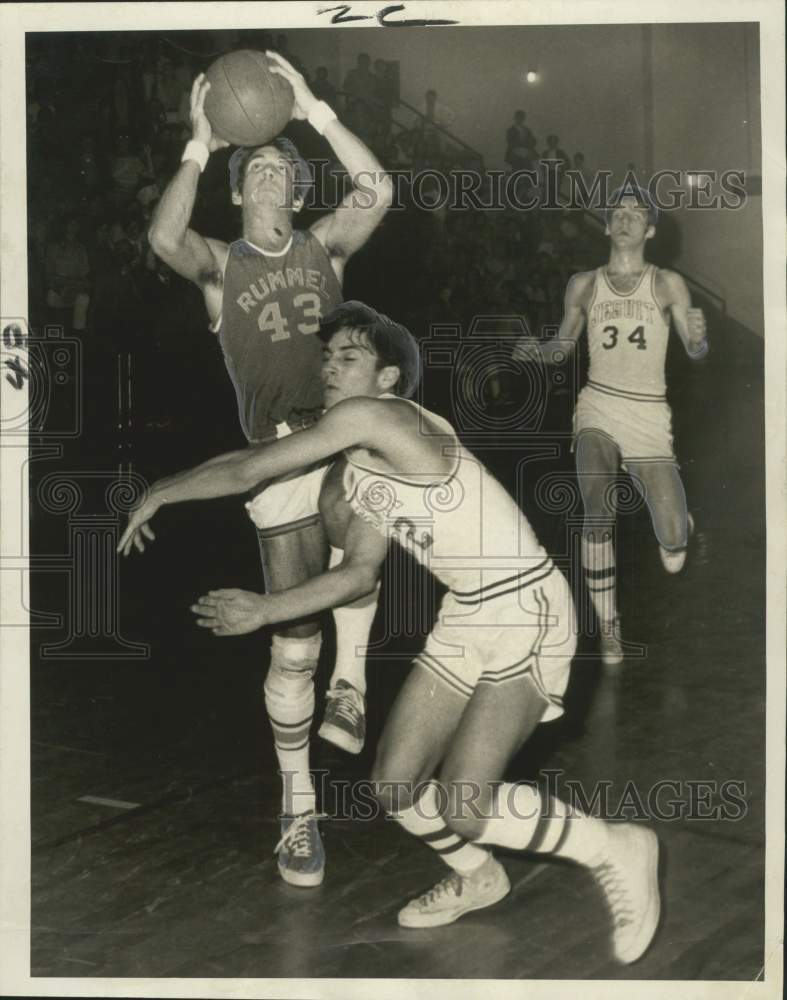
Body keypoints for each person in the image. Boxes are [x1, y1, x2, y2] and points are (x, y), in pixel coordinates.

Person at [119, 301, 661, 965]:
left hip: (527, 608)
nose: (328, 368)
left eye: (346, 357)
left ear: (388, 379)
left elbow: (250, 468)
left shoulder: (379, 418)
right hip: (467, 611)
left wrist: (160, 492)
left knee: (464, 802)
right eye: (326, 358)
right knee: (395, 785)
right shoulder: (363, 463)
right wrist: (267, 608)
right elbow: (358, 574)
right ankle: (477, 875)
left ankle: (614, 848)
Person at [146, 52, 393, 886]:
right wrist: (198, 143)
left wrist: (316, 113)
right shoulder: (221, 267)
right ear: (238, 189)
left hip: (339, 432)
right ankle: (298, 810)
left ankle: (352, 683)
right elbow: (161, 237)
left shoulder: (326, 246)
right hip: (271, 456)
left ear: (293, 192)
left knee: (360, 501)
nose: (267, 178)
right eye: (254, 169)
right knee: (292, 642)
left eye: (279, 171)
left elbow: (377, 190)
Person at [515, 188, 708, 664]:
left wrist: (700, 339)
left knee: (674, 546)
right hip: (599, 406)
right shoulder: (583, 284)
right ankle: (609, 628)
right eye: (616, 213)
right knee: (595, 506)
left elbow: (695, 351)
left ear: (650, 230)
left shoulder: (667, 284)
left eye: (635, 213)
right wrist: (536, 352)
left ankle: (677, 522)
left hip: (647, 414)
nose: (624, 219)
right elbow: (564, 347)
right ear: (605, 226)